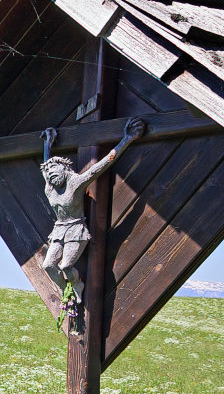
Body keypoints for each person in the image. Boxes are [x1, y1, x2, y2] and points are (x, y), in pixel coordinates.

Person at [41, 117, 147, 311]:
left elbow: (103, 165)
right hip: (58, 230)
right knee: (48, 265)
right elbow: (46, 164)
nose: (50, 174)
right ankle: (69, 290)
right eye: (48, 173)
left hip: (75, 229)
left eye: (54, 170)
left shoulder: (76, 183)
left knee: (65, 266)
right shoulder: (50, 185)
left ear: (65, 168)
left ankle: (77, 284)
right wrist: (47, 143)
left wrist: (127, 139)